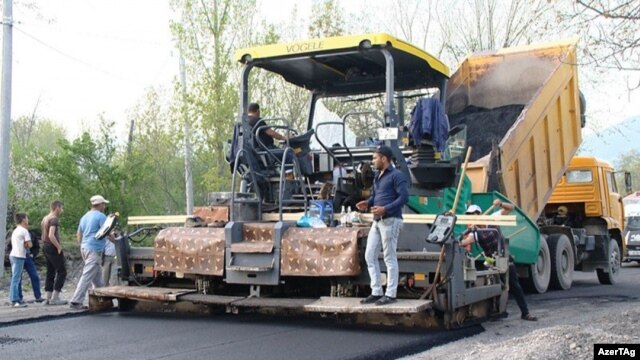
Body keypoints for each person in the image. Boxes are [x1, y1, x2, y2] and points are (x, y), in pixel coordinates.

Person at [459, 202, 538, 321]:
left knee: (515, 285)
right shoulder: (474, 233)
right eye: (469, 216)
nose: (471, 218)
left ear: (480, 214)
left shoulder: (493, 219)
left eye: (473, 215)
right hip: (491, 262)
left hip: (505, 258)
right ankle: (494, 312)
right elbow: (465, 241)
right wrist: (456, 242)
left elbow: (511, 208)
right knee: (491, 286)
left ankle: (525, 313)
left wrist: (500, 203)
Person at [356, 145, 409, 306]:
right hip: (378, 221)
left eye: (375, 158)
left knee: (389, 257)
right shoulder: (378, 176)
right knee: (369, 255)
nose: (373, 161)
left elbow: (404, 197)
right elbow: (376, 195)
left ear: (384, 158)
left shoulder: (397, 175)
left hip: (391, 220)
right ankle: (377, 291)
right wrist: (368, 202)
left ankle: (391, 294)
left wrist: (385, 209)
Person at [69, 195, 114, 309]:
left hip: (85, 248)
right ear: (99, 204)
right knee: (87, 275)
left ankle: (102, 299)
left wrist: (83, 245)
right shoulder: (101, 216)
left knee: (98, 279)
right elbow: (107, 232)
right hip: (95, 249)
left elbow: (79, 234)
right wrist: (116, 239)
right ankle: (76, 301)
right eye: (103, 204)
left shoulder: (85, 217)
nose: (104, 206)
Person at [41, 200, 68, 305]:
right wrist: (59, 247)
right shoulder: (54, 219)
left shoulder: (45, 218)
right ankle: (55, 297)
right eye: (61, 208)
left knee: (50, 271)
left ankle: (48, 297)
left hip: (45, 246)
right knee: (62, 271)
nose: (62, 210)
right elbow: (51, 235)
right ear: (57, 207)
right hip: (52, 247)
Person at [8, 213, 32, 307]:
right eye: (26, 218)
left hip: (13, 255)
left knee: (15, 277)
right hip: (19, 256)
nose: (27, 220)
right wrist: (27, 244)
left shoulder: (15, 230)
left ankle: (15, 297)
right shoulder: (24, 231)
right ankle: (14, 300)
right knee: (16, 278)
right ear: (23, 220)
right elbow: (29, 244)